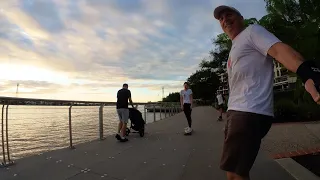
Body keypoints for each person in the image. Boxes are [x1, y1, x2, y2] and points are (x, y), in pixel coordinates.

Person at [213, 5, 320, 180]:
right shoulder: (234, 48)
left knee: (234, 174)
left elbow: (279, 50)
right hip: (238, 112)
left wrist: (307, 73)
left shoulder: (252, 32)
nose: (225, 20)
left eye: (229, 14)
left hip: (248, 111)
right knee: (238, 169)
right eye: (221, 19)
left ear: (241, 18)